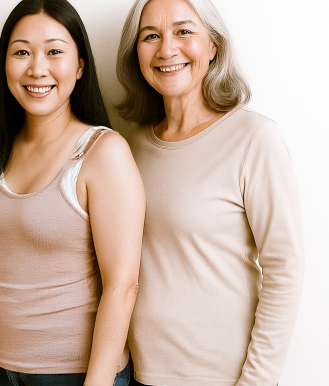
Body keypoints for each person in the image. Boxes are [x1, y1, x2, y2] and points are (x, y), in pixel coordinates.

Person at [115, 0, 304, 385]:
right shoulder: (125, 147)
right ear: (136, 53)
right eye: (151, 36)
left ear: (214, 45)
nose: (167, 49)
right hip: (135, 374)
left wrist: (256, 381)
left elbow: (285, 268)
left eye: (184, 31)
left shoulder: (253, 139)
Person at [0, 0, 145, 385]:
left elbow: (122, 286)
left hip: (69, 374)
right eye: (21, 52)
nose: (36, 68)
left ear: (79, 66)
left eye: (54, 52)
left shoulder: (102, 152)